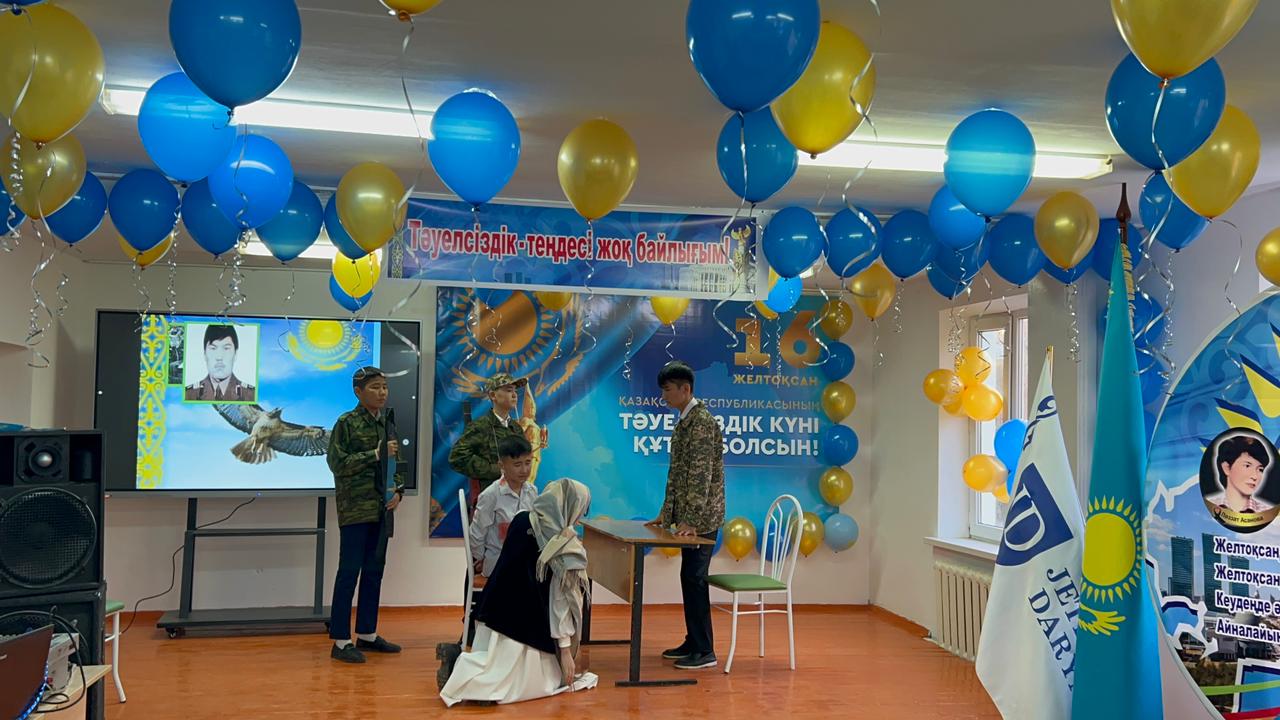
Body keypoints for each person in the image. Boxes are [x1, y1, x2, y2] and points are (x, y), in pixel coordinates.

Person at [440, 479, 598, 706]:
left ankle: (463, 665)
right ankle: (474, 684)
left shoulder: (521, 518)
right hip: (528, 626)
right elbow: (559, 602)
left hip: (491, 614)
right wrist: (565, 651)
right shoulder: (566, 548)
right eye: (582, 510)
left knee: (491, 661)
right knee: (545, 682)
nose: (581, 517)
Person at [646, 360, 725, 670]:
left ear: (685, 389)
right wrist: (665, 513)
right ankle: (693, 641)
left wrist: (690, 520)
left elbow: (700, 476)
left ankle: (705, 651)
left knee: (695, 579)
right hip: (691, 518)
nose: (663, 396)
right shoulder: (685, 421)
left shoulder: (701, 422)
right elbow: (677, 473)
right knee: (689, 578)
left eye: (667, 390)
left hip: (702, 520)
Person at [327, 366, 404, 664]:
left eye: (384, 386)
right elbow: (336, 463)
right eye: (375, 387)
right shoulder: (346, 422)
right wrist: (373, 454)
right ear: (358, 392)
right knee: (349, 573)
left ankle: (367, 634)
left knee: (374, 572)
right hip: (355, 510)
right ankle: (341, 640)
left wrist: (398, 491)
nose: (382, 392)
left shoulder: (387, 423)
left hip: (381, 510)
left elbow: (397, 464)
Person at [449, 373, 529, 505]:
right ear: (493, 395)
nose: (514, 395)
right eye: (509, 390)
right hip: (491, 502)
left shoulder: (516, 428)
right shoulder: (481, 426)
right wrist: (495, 470)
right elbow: (457, 458)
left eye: (515, 391)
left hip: (517, 498)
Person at [470, 435, 540, 579]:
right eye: (517, 465)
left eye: (528, 463)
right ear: (502, 465)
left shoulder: (532, 491)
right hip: (498, 563)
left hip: (524, 560)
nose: (524, 470)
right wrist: (481, 558)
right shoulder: (491, 495)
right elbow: (477, 533)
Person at [185, 324, 257, 402]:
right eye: (213, 348)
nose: (219, 357)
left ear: (235, 354)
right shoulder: (189, 394)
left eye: (226, 348)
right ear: (205, 354)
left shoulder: (251, 395)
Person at [1207, 434, 1274, 514]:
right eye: (1247, 466)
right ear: (1226, 468)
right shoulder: (1208, 506)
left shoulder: (1268, 512)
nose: (1255, 476)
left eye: (1260, 469)